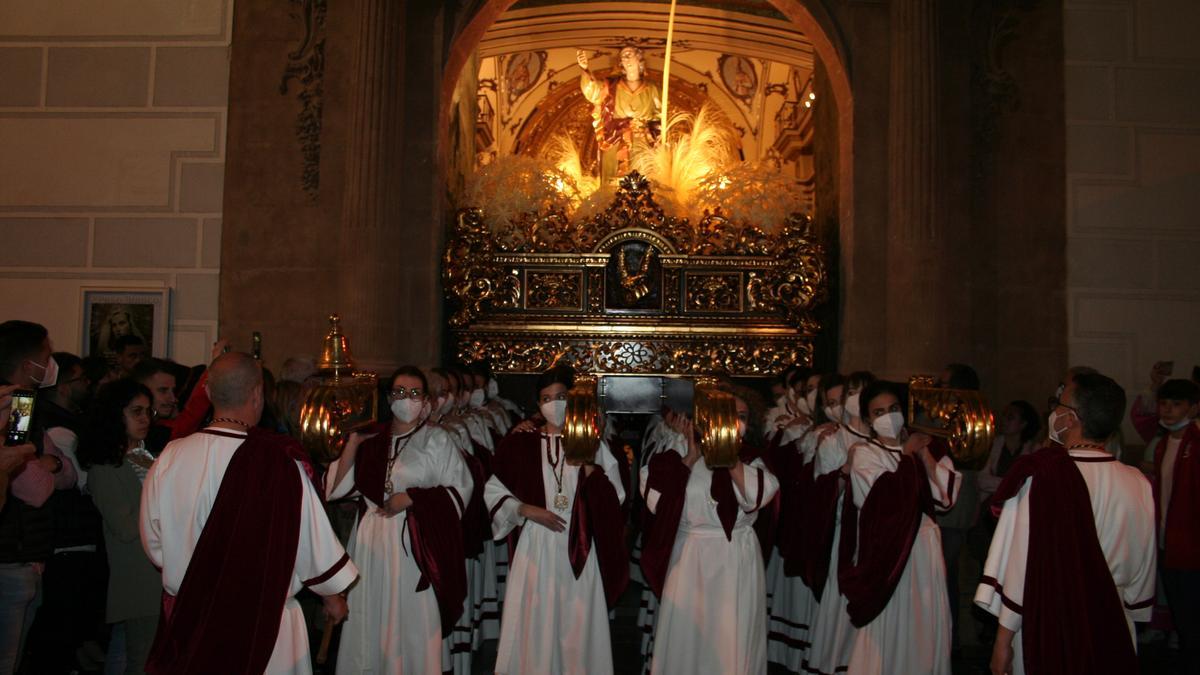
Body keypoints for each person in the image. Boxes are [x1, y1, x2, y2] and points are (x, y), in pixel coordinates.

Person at [139, 352, 357, 674]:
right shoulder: (280, 461)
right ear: (258, 394)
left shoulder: (169, 458)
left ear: (209, 393)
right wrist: (332, 594)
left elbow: (154, 543)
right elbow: (310, 544)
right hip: (264, 626)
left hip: (193, 622)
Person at [976, 372, 1156, 675]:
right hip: (1113, 621)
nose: (1051, 412)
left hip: (1052, 624)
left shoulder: (1042, 476)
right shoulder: (1137, 482)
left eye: (1056, 404)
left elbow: (1019, 570)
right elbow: (1142, 574)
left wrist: (1002, 642)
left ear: (1070, 418)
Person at [325, 366, 474, 675]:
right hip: (370, 543)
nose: (407, 400)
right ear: (389, 397)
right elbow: (335, 490)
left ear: (426, 400)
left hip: (414, 545)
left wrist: (412, 498)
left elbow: (461, 489)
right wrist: (352, 443)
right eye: (400, 393)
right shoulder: (373, 439)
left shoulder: (437, 440)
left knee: (411, 620)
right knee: (370, 616)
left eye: (415, 393)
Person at [484, 365, 628, 675]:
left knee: (576, 622)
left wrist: (588, 463)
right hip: (536, 545)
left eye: (561, 396)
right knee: (534, 621)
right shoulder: (520, 442)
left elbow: (616, 498)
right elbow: (493, 492)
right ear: (538, 405)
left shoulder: (593, 444)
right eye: (546, 398)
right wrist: (525, 509)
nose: (554, 404)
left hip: (578, 543)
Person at [640, 389, 779, 675]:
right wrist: (690, 458)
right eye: (727, 416)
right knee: (687, 636)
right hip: (691, 556)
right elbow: (656, 502)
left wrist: (728, 457)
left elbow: (756, 497)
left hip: (735, 557)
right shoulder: (676, 455)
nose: (735, 422)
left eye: (741, 417)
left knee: (733, 636)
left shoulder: (751, 460)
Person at [839, 380, 961, 675]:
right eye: (878, 412)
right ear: (868, 419)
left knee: (924, 623)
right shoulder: (865, 454)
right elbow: (884, 502)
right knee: (892, 625)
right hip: (889, 553)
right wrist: (906, 456)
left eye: (893, 409)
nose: (887, 417)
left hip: (924, 549)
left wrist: (923, 455)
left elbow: (945, 498)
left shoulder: (927, 448)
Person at [22, 352, 107, 674]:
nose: (88, 385)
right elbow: (48, 484)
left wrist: (56, 464)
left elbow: (66, 472)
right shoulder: (47, 421)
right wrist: (56, 465)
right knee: (52, 643)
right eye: (81, 379)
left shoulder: (63, 421)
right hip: (58, 544)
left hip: (57, 543)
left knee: (65, 638)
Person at [0, 320, 74, 675]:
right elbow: (35, 488)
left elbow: (66, 472)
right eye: (46, 356)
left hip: (25, 553)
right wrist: (45, 466)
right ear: (29, 364)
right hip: (11, 555)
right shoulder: (17, 405)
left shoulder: (27, 405)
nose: (50, 365)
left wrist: (51, 464)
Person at [77, 379, 161, 674]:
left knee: (137, 654)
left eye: (148, 411)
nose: (144, 419)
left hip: (159, 571)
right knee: (140, 659)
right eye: (135, 411)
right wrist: (160, 485)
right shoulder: (105, 466)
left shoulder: (147, 455)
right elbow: (124, 528)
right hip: (137, 575)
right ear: (115, 415)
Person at [803, 370, 876, 675]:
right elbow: (822, 493)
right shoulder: (833, 438)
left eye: (863, 391)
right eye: (852, 391)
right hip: (848, 532)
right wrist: (846, 469)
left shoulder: (886, 438)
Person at [1142, 378, 1200, 672]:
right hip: (1169, 543)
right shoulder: (1163, 444)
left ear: (1193, 408)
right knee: (1181, 613)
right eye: (1165, 404)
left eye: (1177, 404)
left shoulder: (1196, 441)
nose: (1168, 410)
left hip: (1192, 545)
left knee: (1192, 615)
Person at [577, 44, 662, 184]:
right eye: (623, 56)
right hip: (616, 139)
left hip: (642, 141)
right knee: (614, 180)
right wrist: (585, 68)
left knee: (643, 177)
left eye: (629, 54)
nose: (626, 58)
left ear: (639, 59)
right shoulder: (611, 87)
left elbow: (660, 117)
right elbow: (592, 91)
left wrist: (650, 131)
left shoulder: (652, 88)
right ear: (620, 63)